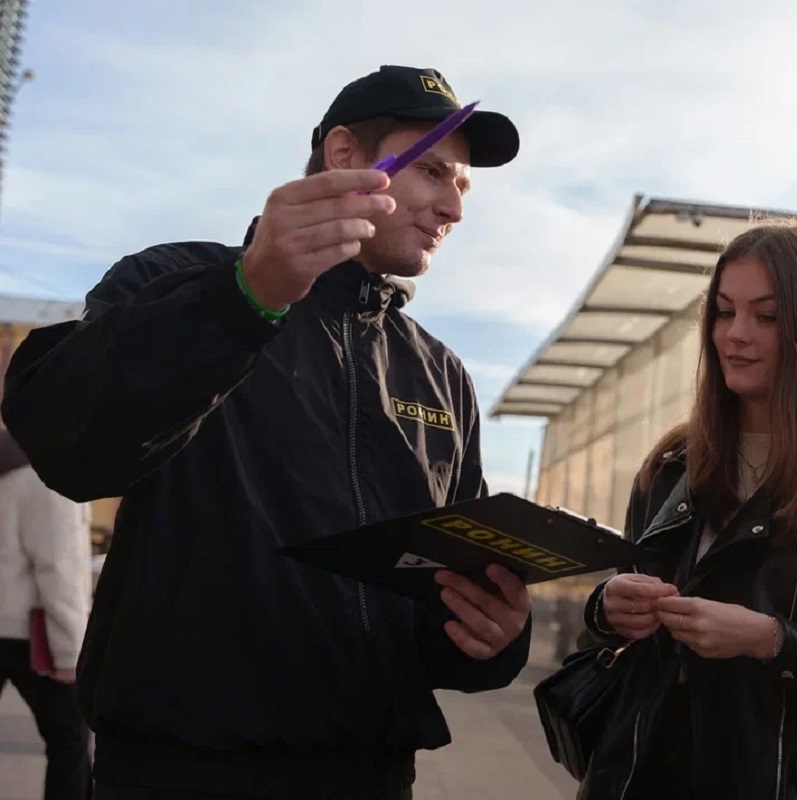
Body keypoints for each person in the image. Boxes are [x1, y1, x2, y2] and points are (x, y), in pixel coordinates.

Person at [1, 65, 533, 800]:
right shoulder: (176, 281)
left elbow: (430, 601)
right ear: (346, 156)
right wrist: (244, 300)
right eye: (435, 172)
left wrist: (488, 638)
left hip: (374, 777)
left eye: (464, 187)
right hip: (182, 773)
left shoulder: (440, 373)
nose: (453, 207)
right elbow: (71, 445)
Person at [576, 220, 797, 799]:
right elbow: (616, 639)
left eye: (766, 317)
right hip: (635, 777)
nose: (736, 335)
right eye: (724, 312)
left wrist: (772, 640)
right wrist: (607, 607)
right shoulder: (671, 465)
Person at [0, 429, 94, 800]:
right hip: (29, 633)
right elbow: (58, 570)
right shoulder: (50, 478)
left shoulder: (8, 461)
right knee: (69, 742)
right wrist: (71, 653)